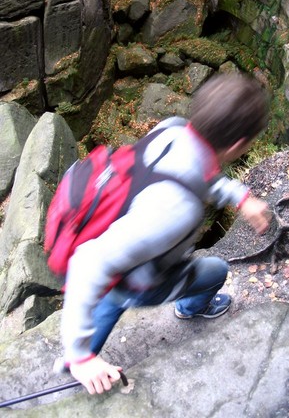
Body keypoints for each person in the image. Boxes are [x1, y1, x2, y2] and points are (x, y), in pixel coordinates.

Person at [58, 71, 271, 395]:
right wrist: (79, 355)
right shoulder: (178, 210)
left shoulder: (172, 129)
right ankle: (187, 310)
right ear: (240, 145)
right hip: (137, 280)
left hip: (121, 252)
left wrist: (240, 197)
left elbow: (200, 175)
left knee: (109, 302)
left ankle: (74, 370)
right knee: (216, 270)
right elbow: (88, 264)